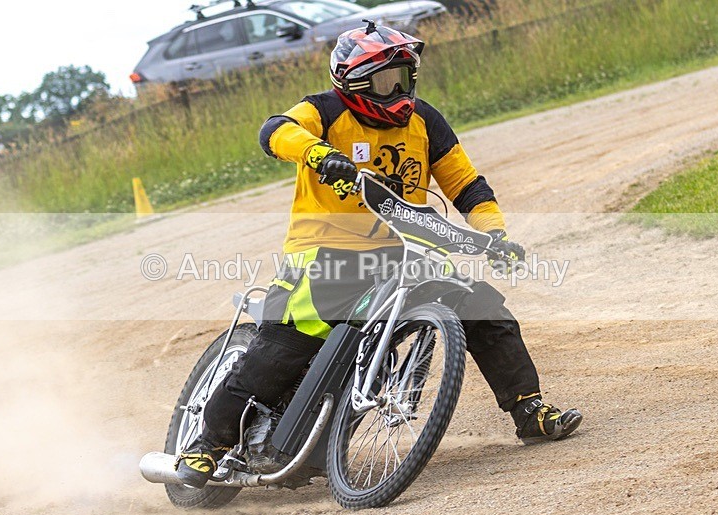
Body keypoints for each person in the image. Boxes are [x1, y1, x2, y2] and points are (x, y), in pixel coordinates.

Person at [176, 22, 582, 488]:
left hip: (406, 249)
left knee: (483, 307)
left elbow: (468, 185)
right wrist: (318, 154)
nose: (397, 90)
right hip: (326, 252)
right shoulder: (323, 111)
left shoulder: (425, 121)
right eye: (386, 80)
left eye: (404, 78)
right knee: (284, 348)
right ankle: (208, 442)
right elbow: (275, 130)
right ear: (353, 82)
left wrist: (494, 232)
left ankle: (529, 410)